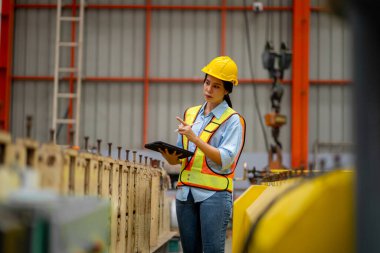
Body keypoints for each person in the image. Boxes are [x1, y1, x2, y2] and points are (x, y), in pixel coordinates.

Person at [160, 56, 246, 253]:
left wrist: (195, 138)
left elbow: (225, 160)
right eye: (207, 83)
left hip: (214, 196)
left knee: (212, 250)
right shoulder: (190, 114)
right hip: (185, 194)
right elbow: (180, 157)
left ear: (227, 90)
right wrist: (168, 155)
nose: (208, 89)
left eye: (216, 86)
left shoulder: (233, 120)